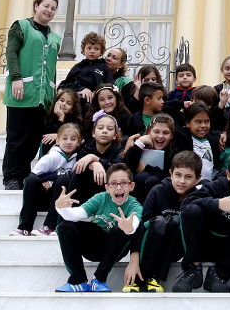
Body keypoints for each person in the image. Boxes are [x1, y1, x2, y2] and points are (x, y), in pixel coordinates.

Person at [174, 150, 230, 293]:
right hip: (202, 244)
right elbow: (186, 204)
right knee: (192, 210)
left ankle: (218, 275)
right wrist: (216, 203)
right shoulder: (216, 186)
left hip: (228, 248)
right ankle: (193, 270)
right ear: (229, 175)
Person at [2, 0, 62, 190]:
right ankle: (11, 177)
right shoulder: (21, 27)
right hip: (22, 91)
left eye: (53, 8)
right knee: (16, 137)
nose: (49, 11)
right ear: (36, 6)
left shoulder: (55, 38)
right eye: (46, 6)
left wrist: (53, 97)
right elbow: (11, 53)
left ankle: (24, 174)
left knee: (33, 139)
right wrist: (16, 78)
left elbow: (51, 68)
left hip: (43, 96)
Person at [121, 150, 202, 293]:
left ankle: (155, 278)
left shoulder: (198, 197)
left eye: (188, 177)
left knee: (177, 221)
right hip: (152, 242)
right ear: (170, 173)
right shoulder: (157, 191)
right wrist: (133, 260)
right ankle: (139, 279)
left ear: (197, 179)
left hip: (176, 248)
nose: (182, 181)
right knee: (160, 222)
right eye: (178, 175)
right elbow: (141, 227)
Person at [53, 163, 141, 292]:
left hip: (115, 249)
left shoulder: (135, 205)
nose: (118, 187)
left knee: (120, 229)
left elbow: (134, 225)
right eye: (113, 183)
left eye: (124, 183)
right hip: (93, 246)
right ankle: (78, 280)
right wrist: (59, 207)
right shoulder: (100, 198)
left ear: (131, 186)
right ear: (107, 187)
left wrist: (128, 228)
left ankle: (99, 279)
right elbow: (77, 214)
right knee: (64, 227)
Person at [11, 122, 82, 236]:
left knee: (63, 180)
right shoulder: (51, 157)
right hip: (41, 196)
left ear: (79, 142)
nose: (68, 142)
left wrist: (53, 180)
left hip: (59, 197)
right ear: (58, 140)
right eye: (65, 138)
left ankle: (49, 226)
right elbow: (33, 176)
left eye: (73, 139)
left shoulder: (77, 159)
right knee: (31, 181)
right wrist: (49, 180)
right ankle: (24, 226)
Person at [58, 31, 114, 112]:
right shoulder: (77, 67)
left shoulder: (103, 67)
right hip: (77, 97)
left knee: (88, 108)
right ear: (83, 50)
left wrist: (98, 92)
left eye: (96, 49)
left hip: (93, 99)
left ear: (101, 52)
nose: (92, 51)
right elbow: (66, 83)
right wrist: (60, 88)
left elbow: (110, 84)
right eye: (89, 48)